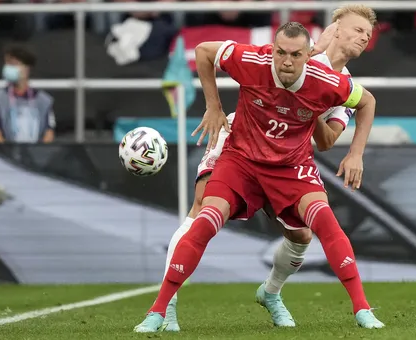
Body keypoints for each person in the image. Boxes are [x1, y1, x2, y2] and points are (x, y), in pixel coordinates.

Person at [139, 4, 382, 334]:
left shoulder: (340, 86)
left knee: (302, 235)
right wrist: (214, 105)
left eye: (367, 34)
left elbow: (325, 142)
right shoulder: (299, 54)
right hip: (240, 140)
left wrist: (316, 111)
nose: (363, 37)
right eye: (356, 29)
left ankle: (270, 292)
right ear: (334, 29)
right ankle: (166, 307)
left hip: (284, 160)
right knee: (203, 208)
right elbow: (229, 56)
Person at [0, 45, 55, 144]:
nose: (8, 68)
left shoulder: (44, 100)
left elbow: (49, 133)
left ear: (27, 69)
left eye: (13, 64)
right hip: (7, 155)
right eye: (7, 64)